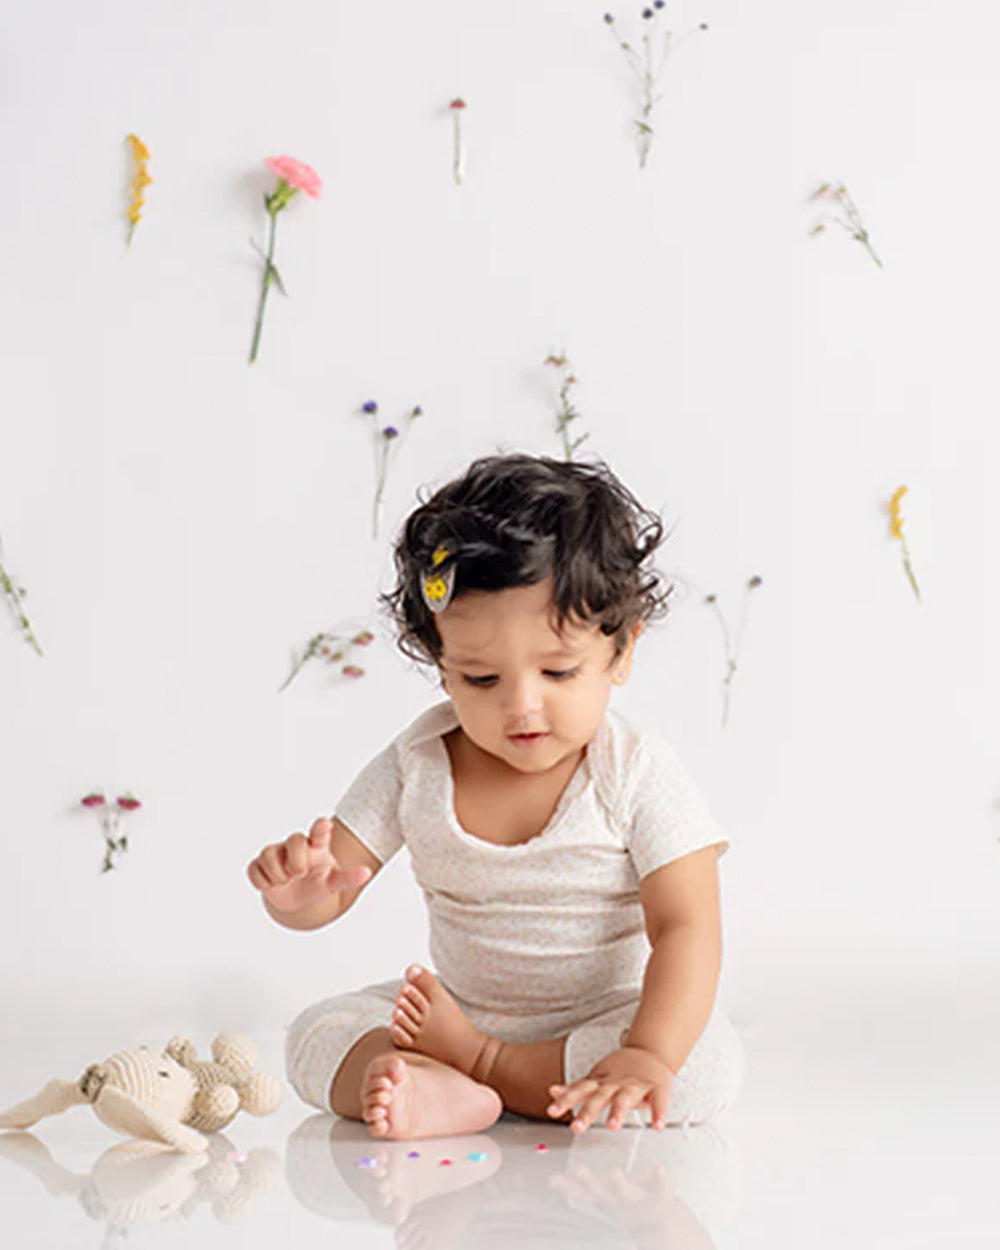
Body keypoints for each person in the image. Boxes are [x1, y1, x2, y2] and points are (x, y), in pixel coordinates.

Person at [247, 453, 744, 1141]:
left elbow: (686, 927)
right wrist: (297, 896)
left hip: (600, 1024)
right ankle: (454, 1081)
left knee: (701, 1064)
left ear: (622, 651)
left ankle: (477, 1073)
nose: (522, 706)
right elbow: (333, 886)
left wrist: (648, 1053)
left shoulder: (633, 770)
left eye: (558, 671)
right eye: (481, 679)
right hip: (454, 1015)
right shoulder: (419, 761)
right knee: (315, 1033)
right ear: (439, 661)